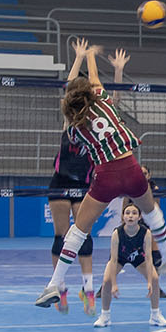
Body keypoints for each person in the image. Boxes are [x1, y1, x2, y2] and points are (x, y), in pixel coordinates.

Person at [35, 40, 166, 309]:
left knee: (77, 231)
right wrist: (90, 57)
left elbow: (70, 90)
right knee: (151, 212)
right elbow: (94, 81)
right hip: (130, 168)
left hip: (104, 176)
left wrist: (82, 58)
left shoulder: (74, 126)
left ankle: (54, 284)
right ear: (90, 92)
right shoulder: (103, 100)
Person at [47, 119, 97, 316]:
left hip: (84, 185)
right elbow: (68, 107)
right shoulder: (69, 125)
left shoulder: (98, 132)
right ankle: (59, 288)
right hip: (60, 182)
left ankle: (88, 289)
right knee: (61, 236)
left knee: (84, 236)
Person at [92, 202, 166, 328]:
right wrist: (114, 284)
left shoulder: (146, 232)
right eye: (127, 213)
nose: (130, 216)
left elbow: (148, 257)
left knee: (155, 278)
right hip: (120, 258)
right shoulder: (117, 233)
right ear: (123, 217)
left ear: (139, 217)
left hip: (138, 257)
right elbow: (113, 259)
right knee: (106, 281)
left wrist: (150, 281)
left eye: (134, 213)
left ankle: (155, 315)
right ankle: (105, 316)